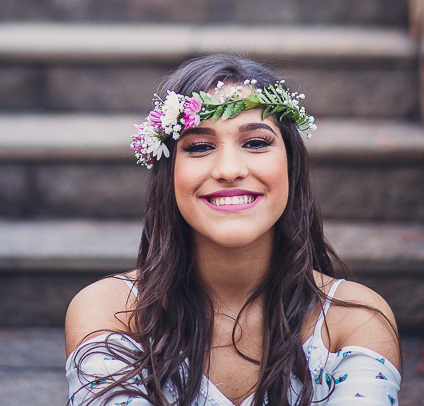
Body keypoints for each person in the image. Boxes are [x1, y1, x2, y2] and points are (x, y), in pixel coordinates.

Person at [65, 54, 401, 406]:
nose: (229, 170)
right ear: (169, 175)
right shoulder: (110, 310)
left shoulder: (355, 320)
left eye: (256, 142)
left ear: (291, 163)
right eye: (200, 146)